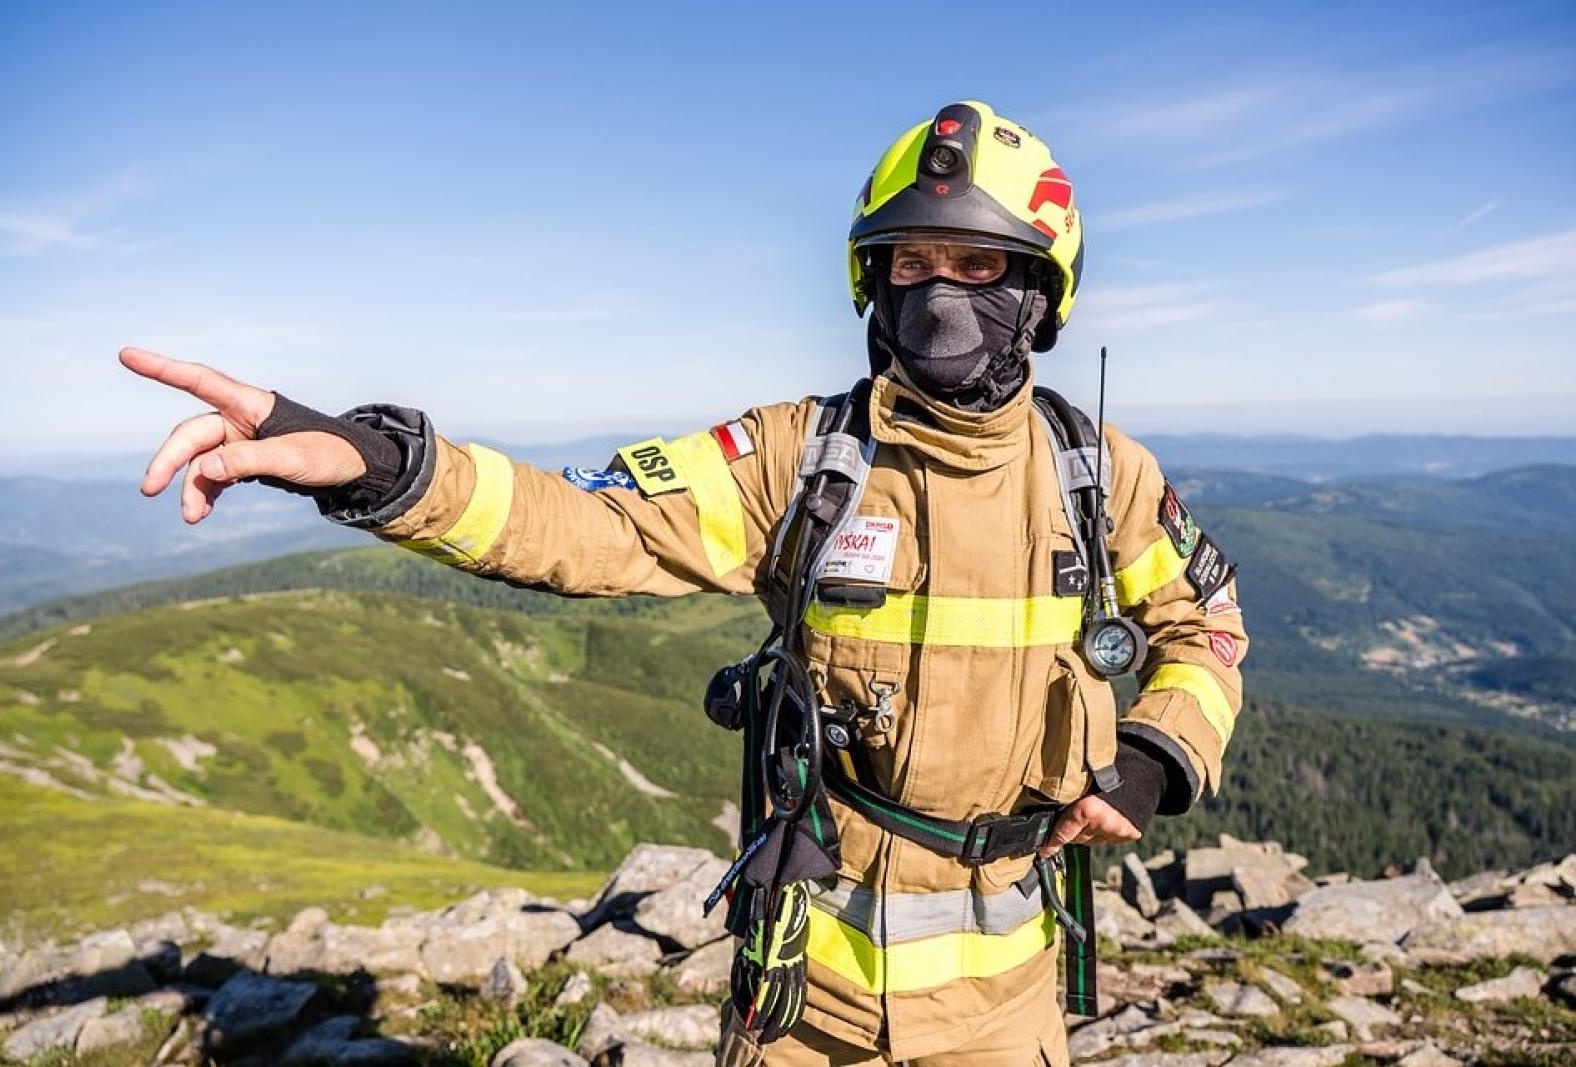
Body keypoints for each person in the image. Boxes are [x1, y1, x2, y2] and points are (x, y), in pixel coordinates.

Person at [123, 100, 1247, 1066]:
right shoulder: (797, 458)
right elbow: (588, 521)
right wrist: (378, 463)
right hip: (805, 999)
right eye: (909, 261)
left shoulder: (1104, 476)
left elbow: (1204, 631)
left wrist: (1151, 757)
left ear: (1039, 291)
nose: (938, 290)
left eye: (976, 263)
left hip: (1009, 1006)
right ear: (873, 284)